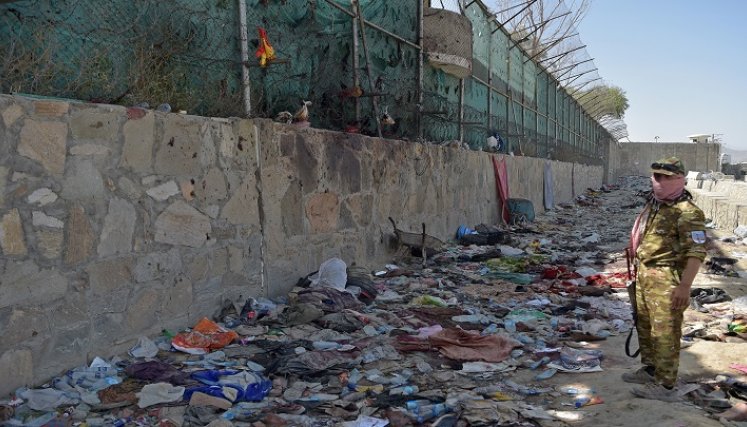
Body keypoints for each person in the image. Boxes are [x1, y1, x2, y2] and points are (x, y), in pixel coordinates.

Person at [622, 156, 707, 401]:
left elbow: (696, 251)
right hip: (645, 275)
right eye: (656, 176)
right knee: (646, 326)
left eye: (666, 177)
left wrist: (684, 286)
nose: (659, 181)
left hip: (667, 279)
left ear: (679, 179)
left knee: (665, 332)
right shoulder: (657, 205)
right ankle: (650, 369)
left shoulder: (688, 213)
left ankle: (666, 385)